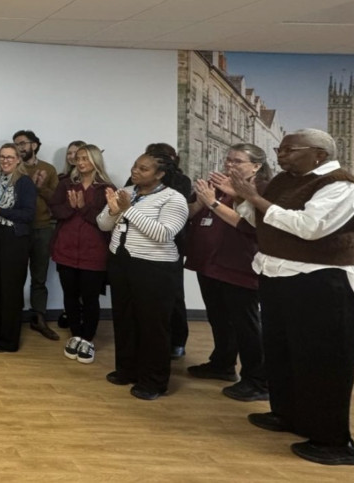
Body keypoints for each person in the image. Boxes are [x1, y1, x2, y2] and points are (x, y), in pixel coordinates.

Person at [233, 129, 354, 465]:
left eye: (289, 149)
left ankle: (332, 440)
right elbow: (258, 220)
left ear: (318, 153)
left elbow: (310, 226)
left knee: (323, 361)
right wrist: (241, 196)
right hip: (278, 276)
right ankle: (287, 415)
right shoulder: (285, 180)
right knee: (282, 352)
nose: (281, 155)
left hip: (319, 280)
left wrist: (256, 199)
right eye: (279, 149)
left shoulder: (339, 184)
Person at [97, 150, 188, 400]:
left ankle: (154, 382)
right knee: (125, 318)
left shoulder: (173, 199)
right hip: (122, 262)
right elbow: (103, 224)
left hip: (154, 268)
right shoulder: (129, 191)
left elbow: (163, 234)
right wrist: (114, 210)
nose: (135, 171)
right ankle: (127, 369)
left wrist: (127, 210)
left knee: (152, 326)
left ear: (160, 174)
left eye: (143, 169)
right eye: (135, 166)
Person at [184, 143, 271, 402]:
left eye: (238, 161)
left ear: (256, 166)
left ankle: (257, 380)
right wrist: (204, 201)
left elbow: (250, 227)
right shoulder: (221, 185)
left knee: (245, 323)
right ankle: (222, 363)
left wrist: (213, 202)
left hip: (239, 265)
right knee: (220, 318)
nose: (230, 165)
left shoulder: (259, 190)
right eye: (229, 160)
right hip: (211, 263)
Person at [49, 144, 114, 364]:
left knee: (90, 297)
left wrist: (83, 207)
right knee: (70, 294)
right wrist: (72, 208)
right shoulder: (67, 183)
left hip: (93, 251)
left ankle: (88, 338)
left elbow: (107, 220)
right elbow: (54, 209)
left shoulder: (106, 187)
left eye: (85, 158)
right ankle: (75, 334)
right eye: (78, 158)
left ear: (95, 160)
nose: (81, 162)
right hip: (66, 248)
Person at [129, 143, 192, 359]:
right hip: (136, 250)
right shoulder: (134, 183)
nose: (136, 171)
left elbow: (170, 224)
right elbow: (125, 207)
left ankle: (177, 341)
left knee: (172, 299)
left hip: (168, 248)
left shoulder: (178, 184)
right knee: (140, 305)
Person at [0, 143, 37, 353]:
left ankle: (9, 340)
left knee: (10, 288)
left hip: (14, 238)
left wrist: (1, 211)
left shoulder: (25, 182)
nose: (5, 161)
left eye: (10, 157)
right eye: (2, 157)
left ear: (18, 159)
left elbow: (28, 215)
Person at [12, 130, 59, 340]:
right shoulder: (13, 167)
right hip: (18, 229)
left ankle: (39, 318)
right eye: (17, 144)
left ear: (35, 145)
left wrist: (38, 187)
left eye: (23, 143)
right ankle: (12, 317)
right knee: (15, 276)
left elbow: (56, 200)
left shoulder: (48, 169)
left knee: (39, 277)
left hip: (42, 228)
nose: (20, 147)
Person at [56, 139, 87, 330]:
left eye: (79, 154)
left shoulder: (100, 184)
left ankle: (84, 317)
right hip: (65, 239)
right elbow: (55, 207)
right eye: (70, 153)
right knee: (69, 285)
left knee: (87, 286)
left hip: (88, 243)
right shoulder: (62, 180)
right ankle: (72, 314)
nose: (73, 157)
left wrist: (82, 208)